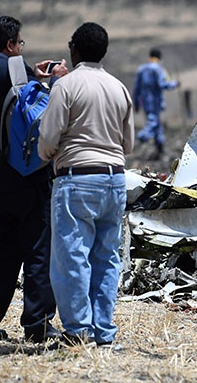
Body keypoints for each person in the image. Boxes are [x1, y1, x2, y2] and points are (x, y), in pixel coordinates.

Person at [38, 22, 134, 347]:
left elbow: (48, 139)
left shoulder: (65, 87)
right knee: (106, 257)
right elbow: (129, 143)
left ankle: (78, 330)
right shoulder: (119, 88)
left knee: (72, 256)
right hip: (115, 178)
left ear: (74, 50)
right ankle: (104, 331)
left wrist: (46, 153)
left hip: (76, 178)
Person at [0, 15, 67, 342]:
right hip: (26, 177)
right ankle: (38, 325)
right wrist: (53, 81)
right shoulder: (15, 68)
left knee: (5, 248)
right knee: (39, 249)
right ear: (11, 44)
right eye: (20, 44)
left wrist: (32, 76)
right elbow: (39, 110)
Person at [132, 48, 179, 160]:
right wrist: (175, 83)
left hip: (145, 102)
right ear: (159, 58)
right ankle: (140, 138)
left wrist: (136, 103)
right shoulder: (158, 69)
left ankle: (160, 149)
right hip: (155, 102)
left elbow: (136, 88)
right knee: (152, 123)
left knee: (157, 126)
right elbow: (163, 84)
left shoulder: (141, 69)